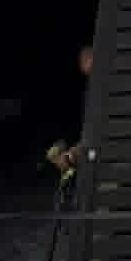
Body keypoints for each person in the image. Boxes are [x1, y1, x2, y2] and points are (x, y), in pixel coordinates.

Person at [46, 43, 93, 179]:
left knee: (69, 157)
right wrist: (63, 144)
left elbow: (93, 132)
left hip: (95, 150)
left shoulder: (98, 88)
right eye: (81, 57)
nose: (81, 60)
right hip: (85, 144)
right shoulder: (86, 87)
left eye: (86, 56)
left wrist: (73, 152)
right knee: (56, 153)